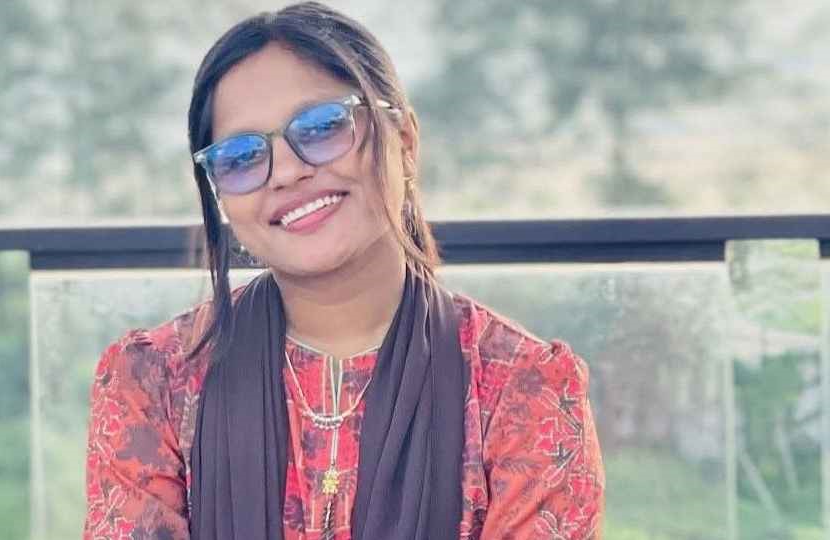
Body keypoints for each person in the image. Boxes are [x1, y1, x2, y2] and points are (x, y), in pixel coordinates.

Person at [83, 2, 604, 539]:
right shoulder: (155, 383)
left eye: (322, 126)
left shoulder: (521, 387)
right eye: (240, 157)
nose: (286, 172)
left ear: (404, 141)